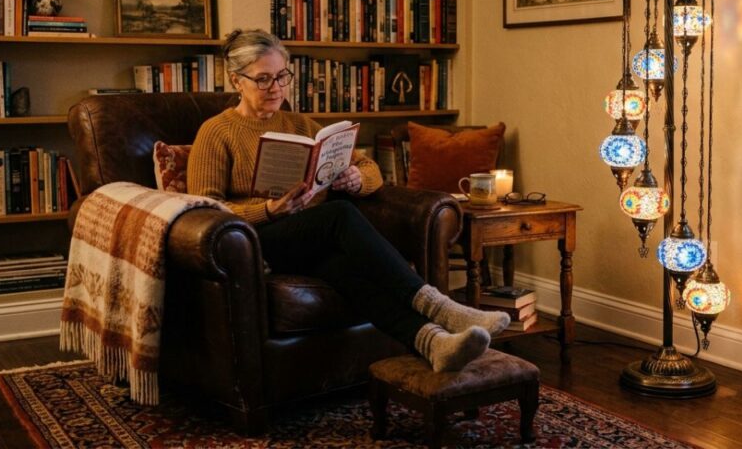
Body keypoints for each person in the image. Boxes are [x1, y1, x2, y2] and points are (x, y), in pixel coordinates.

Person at [187, 29, 508, 372]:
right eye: (263, 79)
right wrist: (267, 210)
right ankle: (443, 308)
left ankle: (434, 343)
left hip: (308, 241)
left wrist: (357, 179)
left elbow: (370, 169)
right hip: (255, 243)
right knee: (339, 214)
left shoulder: (300, 125)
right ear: (236, 80)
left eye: (282, 76)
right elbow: (206, 212)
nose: (276, 87)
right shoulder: (216, 132)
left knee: (342, 267)